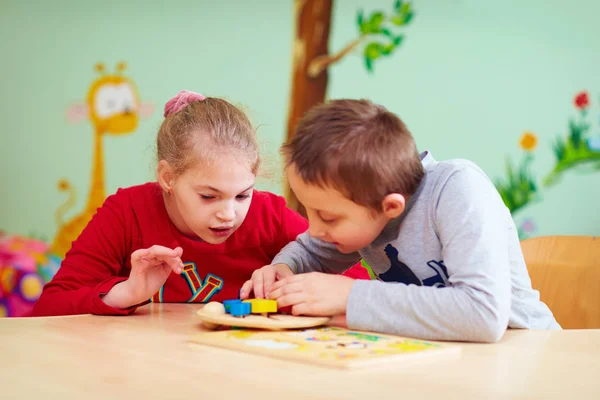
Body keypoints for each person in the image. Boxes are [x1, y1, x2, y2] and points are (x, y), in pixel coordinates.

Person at [241, 99, 560, 342]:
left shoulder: (458, 189)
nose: (315, 229)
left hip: (530, 352)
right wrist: (283, 269)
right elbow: (310, 252)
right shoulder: (365, 211)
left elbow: (485, 315)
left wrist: (348, 296)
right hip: (453, 363)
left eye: (327, 216)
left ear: (390, 206)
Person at [32, 90, 308, 316]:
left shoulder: (270, 216)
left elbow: (348, 282)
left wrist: (294, 279)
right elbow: (49, 308)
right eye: (208, 196)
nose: (228, 214)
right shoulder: (127, 212)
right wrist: (126, 293)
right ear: (168, 178)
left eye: (242, 195)